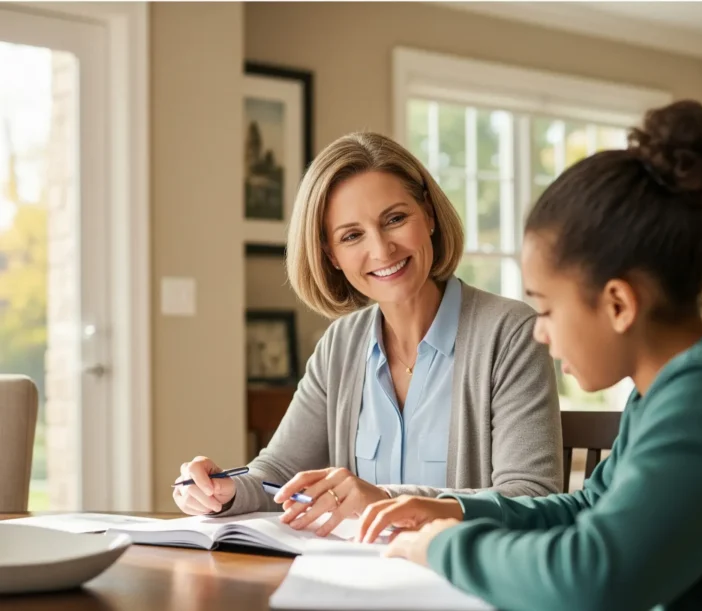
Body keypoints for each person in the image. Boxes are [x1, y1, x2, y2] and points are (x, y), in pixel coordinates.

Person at [357, 100, 702, 610]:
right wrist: (456, 511)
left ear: (618, 303)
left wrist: (444, 547)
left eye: (547, 309)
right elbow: (589, 507)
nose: (541, 335)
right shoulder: (670, 389)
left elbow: (593, 577)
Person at [173, 132, 563, 535]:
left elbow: (531, 498)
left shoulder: (511, 333)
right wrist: (221, 491)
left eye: (395, 219)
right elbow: (277, 473)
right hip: (360, 579)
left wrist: (386, 500)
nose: (381, 249)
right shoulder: (339, 346)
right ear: (332, 256)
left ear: (428, 214)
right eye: (351, 235)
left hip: (463, 582)